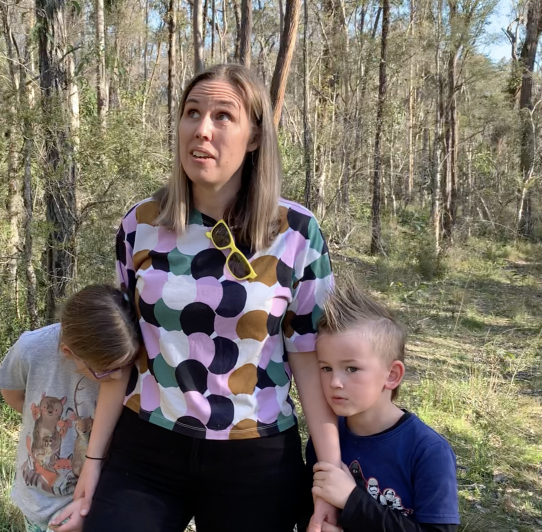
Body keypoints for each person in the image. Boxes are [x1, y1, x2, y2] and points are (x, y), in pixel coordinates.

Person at [66, 63, 341, 532]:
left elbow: (310, 361)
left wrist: (330, 481)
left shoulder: (296, 234)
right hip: (148, 444)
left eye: (222, 117)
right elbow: (125, 353)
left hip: (255, 453)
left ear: (254, 137)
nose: (202, 130)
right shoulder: (142, 225)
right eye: (191, 113)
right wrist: (93, 461)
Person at [306, 280, 460, 532]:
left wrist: (352, 499)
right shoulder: (324, 440)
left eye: (351, 368)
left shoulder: (428, 452)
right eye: (326, 368)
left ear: (392, 375)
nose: (334, 382)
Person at [0, 284, 138, 532]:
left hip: (91, 492)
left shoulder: (115, 351)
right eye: (107, 371)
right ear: (68, 352)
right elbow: (14, 396)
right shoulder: (31, 349)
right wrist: (48, 428)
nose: (117, 378)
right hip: (38, 495)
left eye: (124, 366)